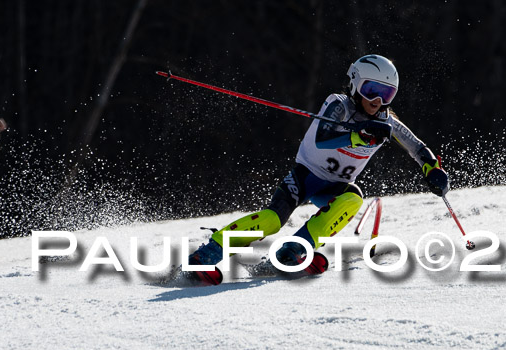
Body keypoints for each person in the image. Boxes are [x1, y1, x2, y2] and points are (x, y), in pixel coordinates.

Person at [188, 54, 449, 285]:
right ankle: (207, 254)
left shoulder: (386, 122)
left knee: (353, 198)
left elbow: (416, 147)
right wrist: (356, 137)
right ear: (356, 84)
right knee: (271, 220)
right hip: (305, 177)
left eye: (387, 94)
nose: (378, 100)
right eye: (371, 90)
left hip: (334, 186)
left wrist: (431, 169)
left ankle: (291, 251)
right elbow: (322, 139)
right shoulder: (338, 105)